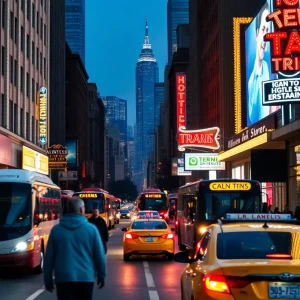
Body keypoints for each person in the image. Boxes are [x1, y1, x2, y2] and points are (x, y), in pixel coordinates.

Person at [44, 197, 106, 300]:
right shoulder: (91, 230)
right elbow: (99, 255)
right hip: (86, 279)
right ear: (82, 210)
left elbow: (49, 258)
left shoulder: (56, 231)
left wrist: (48, 279)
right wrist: (101, 275)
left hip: (63, 279)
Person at [247, 2, 270, 125]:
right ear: (256, 34)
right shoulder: (251, 82)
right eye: (263, 29)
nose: (266, 37)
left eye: (268, 30)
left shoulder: (269, 69)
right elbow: (252, 118)